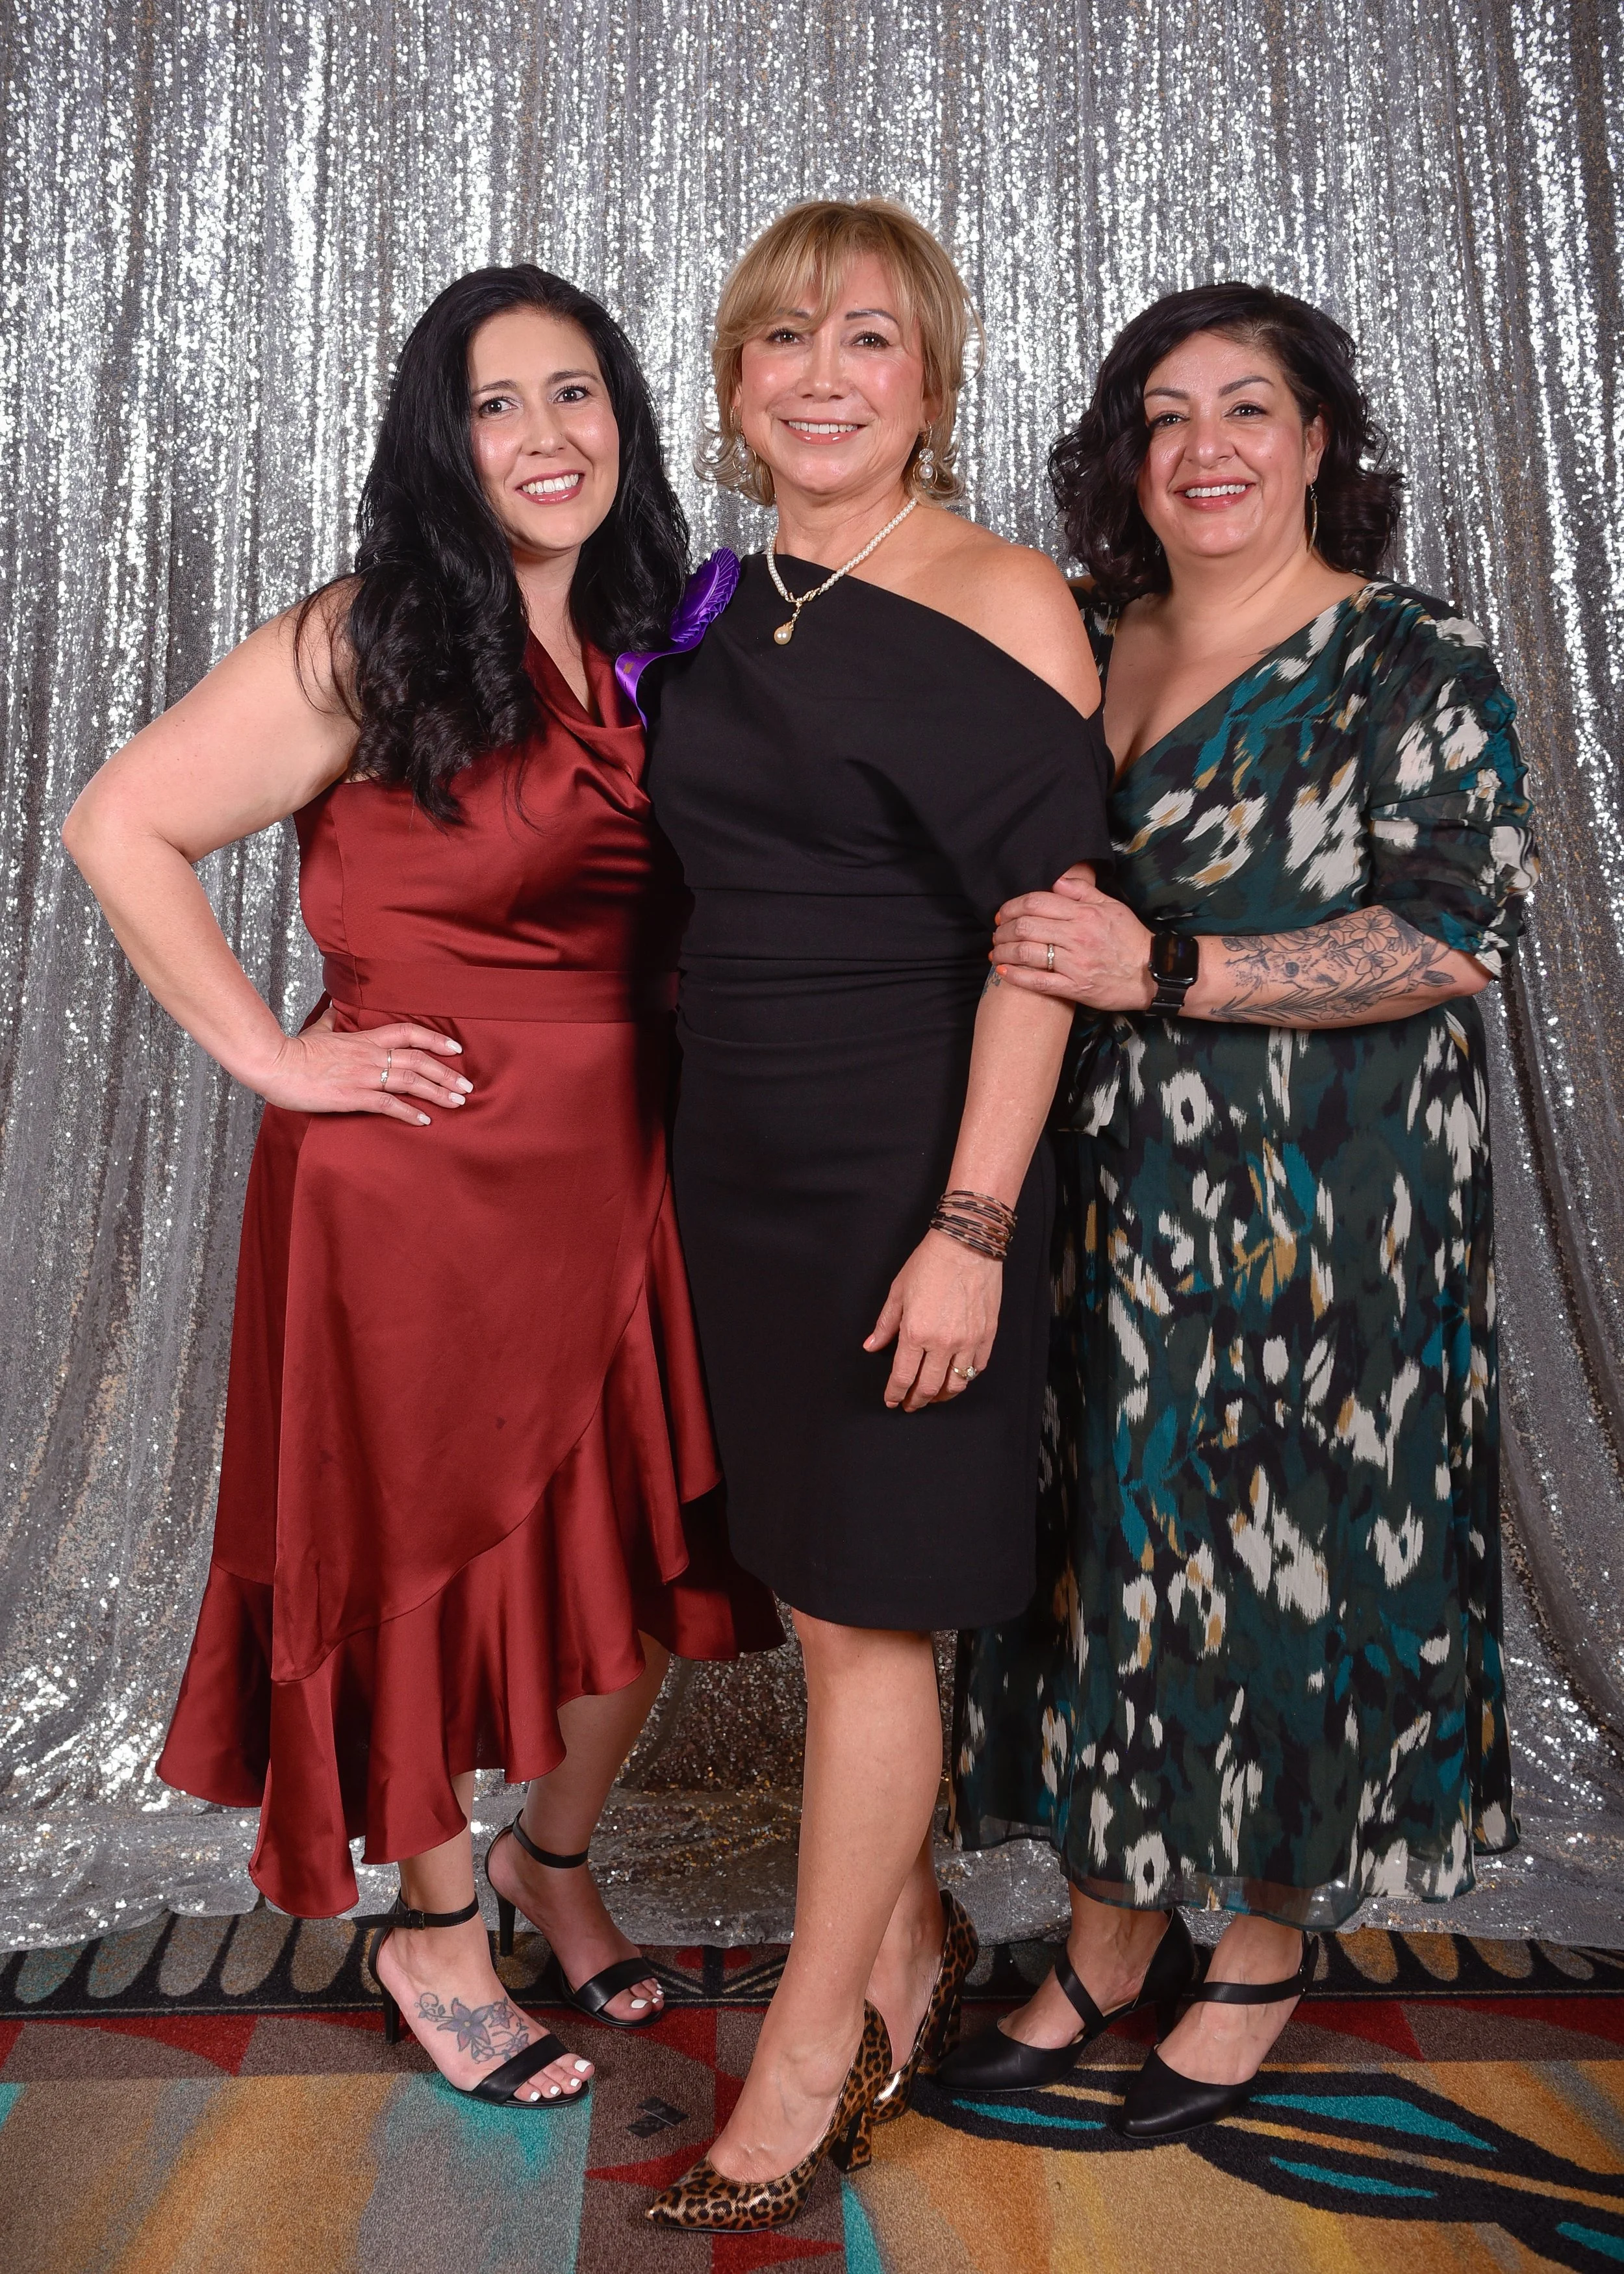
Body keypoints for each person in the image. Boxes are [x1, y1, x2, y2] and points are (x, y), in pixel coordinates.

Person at [63, 263, 780, 2112]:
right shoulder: (368, 635)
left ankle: (551, 1852)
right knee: (401, 1565)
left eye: (575, 392)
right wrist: (276, 1054)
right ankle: (435, 1925)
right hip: (416, 1190)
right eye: (496, 403)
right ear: (437, 441)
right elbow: (118, 822)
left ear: (625, 416)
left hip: (629, 1174)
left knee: (645, 1554)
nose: (545, 436)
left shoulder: (656, 637)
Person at [944, 281, 1536, 2138]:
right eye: (1167, 415)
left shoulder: (1404, 657)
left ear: (1318, 443)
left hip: (1325, 1200)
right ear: (1127, 455)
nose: (1206, 448)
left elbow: (1450, 936)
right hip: (1113, 1191)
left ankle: (1267, 1940)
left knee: (1301, 1553)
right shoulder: (1091, 637)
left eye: (1248, 410)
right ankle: (1110, 1930)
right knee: (1116, 1547)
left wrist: (1169, 963)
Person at [635, 199, 1114, 2231]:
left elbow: (1046, 947)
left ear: (930, 380)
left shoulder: (1005, 593)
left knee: (861, 1620)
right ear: (734, 383)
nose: (818, 380)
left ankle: (808, 2054)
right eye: (779, 345)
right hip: (728, 1170)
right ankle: (902, 1947)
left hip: (914, 1166)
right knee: (817, 1592)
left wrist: (975, 1226)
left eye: (865, 344)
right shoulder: (710, 596)